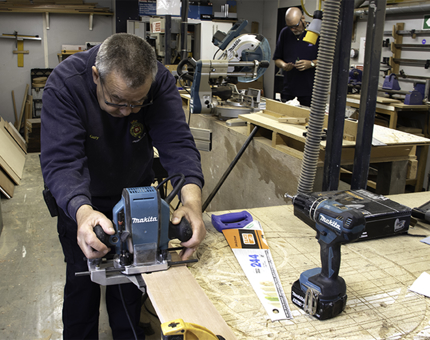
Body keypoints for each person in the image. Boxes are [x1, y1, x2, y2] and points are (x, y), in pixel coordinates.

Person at [40, 33, 206, 340]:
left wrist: (192, 204)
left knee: (131, 288)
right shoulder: (66, 84)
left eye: (136, 103)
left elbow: (178, 145)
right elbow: (62, 164)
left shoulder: (158, 80)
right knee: (82, 289)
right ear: (95, 77)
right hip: (82, 203)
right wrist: (83, 213)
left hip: (135, 198)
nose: (128, 112)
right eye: (116, 101)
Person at [273, 7, 319, 107]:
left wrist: (311, 63)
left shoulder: (315, 33)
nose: (293, 29)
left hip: (309, 91)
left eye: (295, 26)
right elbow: (277, 59)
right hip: (288, 89)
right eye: (290, 27)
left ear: (302, 19)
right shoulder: (285, 33)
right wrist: (284, 65)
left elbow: (328, 60)